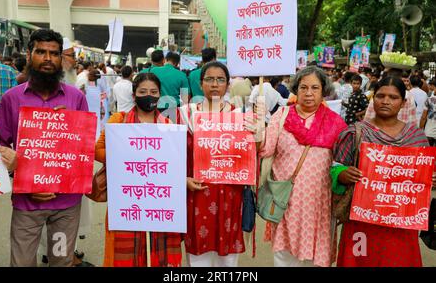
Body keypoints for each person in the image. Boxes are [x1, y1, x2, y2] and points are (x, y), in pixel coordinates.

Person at [0, 28, 89, 267]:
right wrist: (19, 177)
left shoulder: (75, 98)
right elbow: (0, 149)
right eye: (41, 52)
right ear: (29, 55)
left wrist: (72, 127)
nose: (48, 58)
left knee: (61, 262)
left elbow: (83, 152)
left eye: (54, 53)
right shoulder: (11, 98)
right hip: (27, 202)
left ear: (61, 59)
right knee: (22, 263)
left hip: (66, 204)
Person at [332, 76, 434, 267]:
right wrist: (343, 175)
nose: (386, 101)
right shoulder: (355, 133)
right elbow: (335, 168)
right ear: (373, 99)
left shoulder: (417, 138)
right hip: (362, 222)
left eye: (393, 97)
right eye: (380, 96)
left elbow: (423, 177)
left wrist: (429, 178)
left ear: (403, 103)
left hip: (402, 223)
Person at [258, 66, 347, 267]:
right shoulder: (281, 116)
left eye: (315, 88)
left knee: (314, 260)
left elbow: (342, 163)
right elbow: (265, 150)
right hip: (287, 202)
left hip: (320, 205)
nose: (308, 93)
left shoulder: (335, 123)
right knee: (285, 259)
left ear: (323, 91)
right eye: (303, 87)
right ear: (295, 90)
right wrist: (256, 131)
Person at [95, 72, 182, 267]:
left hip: (158, 202)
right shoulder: (119, 121)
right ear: (134, 96)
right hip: (127, 201)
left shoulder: (168, 126)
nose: (148, 95)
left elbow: (174, 165)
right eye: (143, 92)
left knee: (158, 255)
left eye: (153, 91)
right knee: (124, 255)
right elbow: (97, 150)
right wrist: (121, 157)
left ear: (160, 95)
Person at [179, 61, 249, 267]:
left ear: (228, 85)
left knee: (226, 257)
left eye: (220, 80)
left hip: (229, 193)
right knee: (198, 253)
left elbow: (250, 156)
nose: (215, 84)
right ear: (201, 84)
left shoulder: (239, 116)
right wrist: (183, 179)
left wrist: (257, 135)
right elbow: (173, 153)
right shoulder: (185, 114)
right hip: (197, 192)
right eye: (209, 79)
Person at [420, 78, 436, 146]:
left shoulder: (429, 98)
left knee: (429, 153)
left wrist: (420, 129)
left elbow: (424, 117)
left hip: (429, 132)